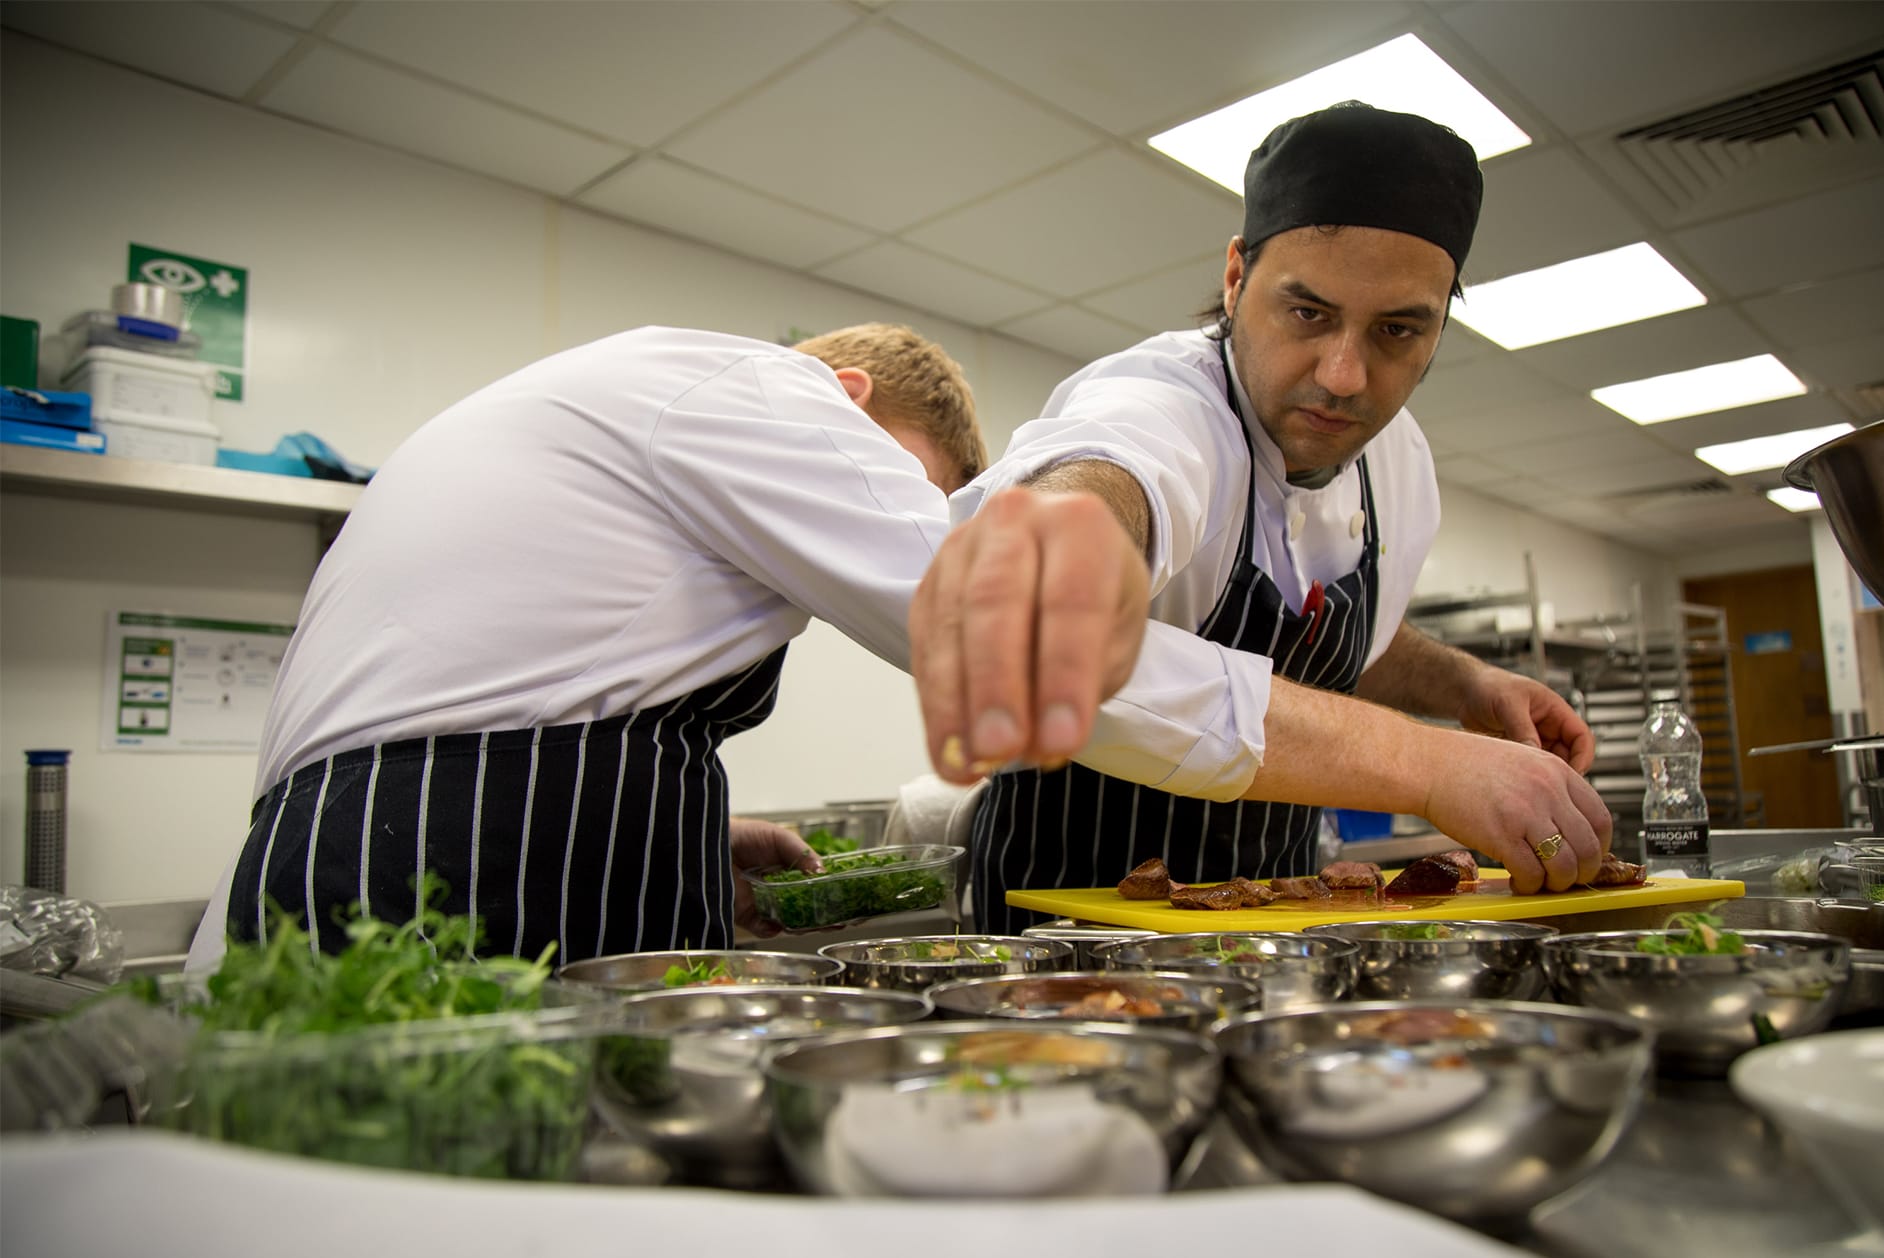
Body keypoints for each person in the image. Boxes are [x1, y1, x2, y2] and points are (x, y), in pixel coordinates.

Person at [185, 321, 1258, 971]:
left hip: (374, 851)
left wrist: (685, 823)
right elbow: (1013, 639)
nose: (885, 518)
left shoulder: (626, 400)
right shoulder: (763, 394)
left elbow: (504, 693)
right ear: (848, 398)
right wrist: (1414, 758)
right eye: (906, 485)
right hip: (452, 885)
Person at [910, 102, 1612, 934]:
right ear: (1238, 278)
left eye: (1396, 330)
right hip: (1070, 940)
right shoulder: (1171, 404)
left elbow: (1330, 633)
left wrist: (1464, 684)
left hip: (1282, 936)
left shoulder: (1399, 465)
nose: (1345, 375)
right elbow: (1110, 473)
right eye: (1308, 313)